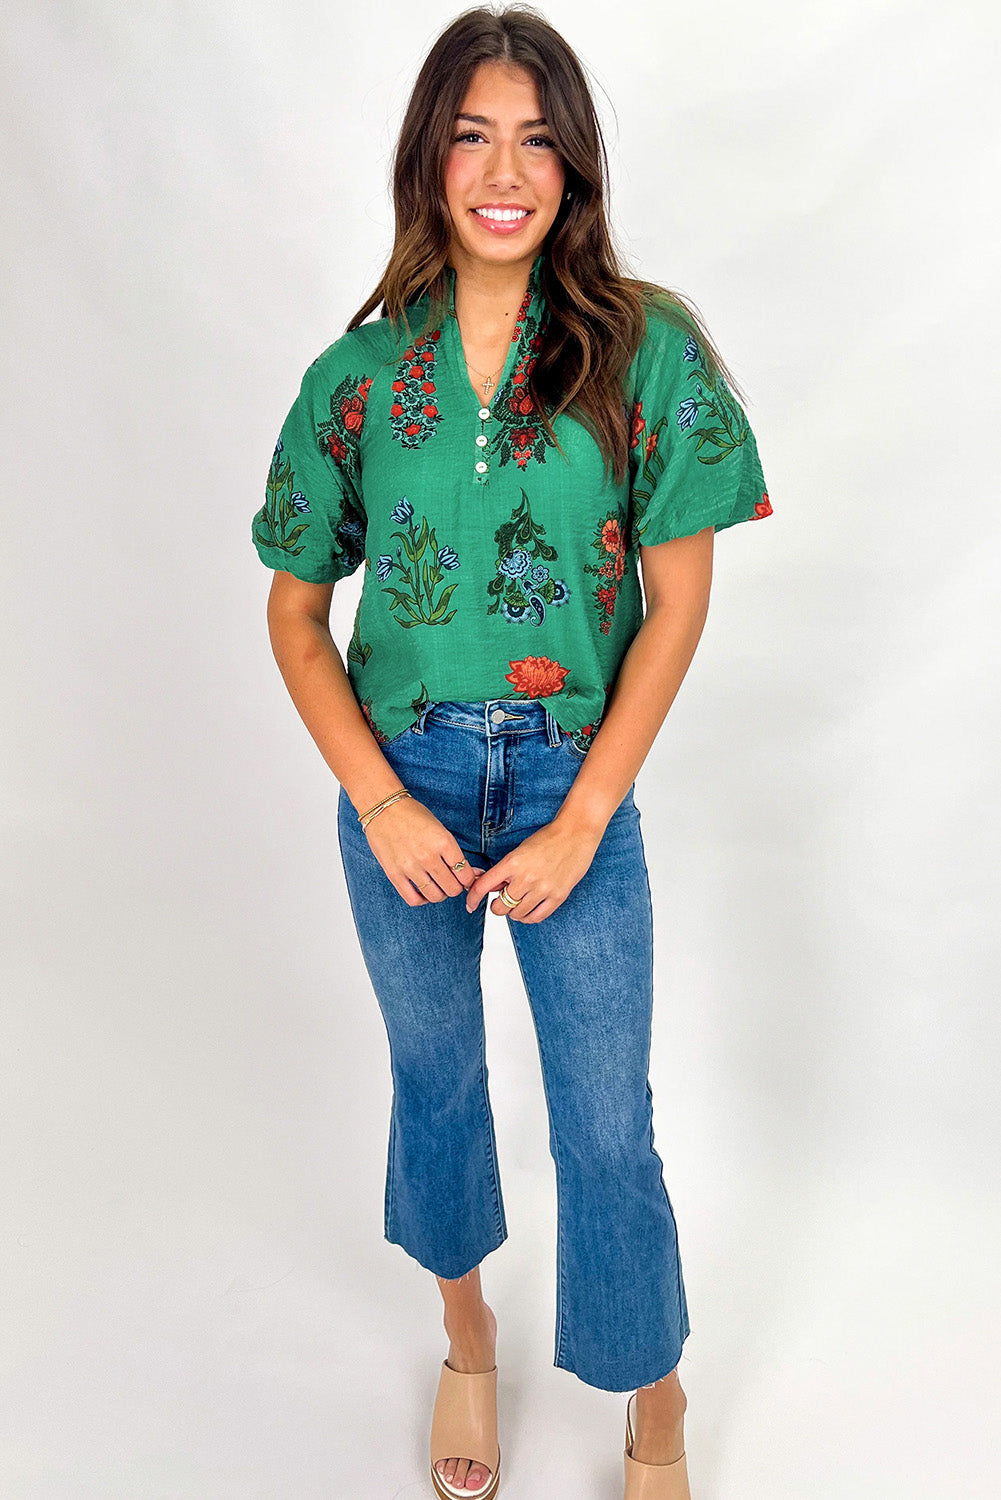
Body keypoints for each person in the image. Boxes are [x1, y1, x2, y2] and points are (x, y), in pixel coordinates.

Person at [251, 7, 772, 1497]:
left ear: (575, 166)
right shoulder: (356, 376)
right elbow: (295, 615)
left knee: (608, 1126)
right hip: (400, 785)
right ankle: (467, 1344)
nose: (503, 171)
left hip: (570, 783)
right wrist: (376, 800)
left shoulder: (644, 349)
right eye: (472, 135)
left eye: (537, 140)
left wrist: (584, 817)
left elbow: (678, 603)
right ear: (428, 157)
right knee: (438, 1088)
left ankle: (654, 1404)